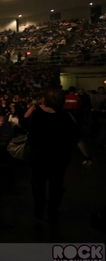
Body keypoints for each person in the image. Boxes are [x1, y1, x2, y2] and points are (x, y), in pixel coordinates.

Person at [26, 86, 88, 223]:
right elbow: (77, 137)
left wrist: (33, 106)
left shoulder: (36, 113)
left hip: (39, 155)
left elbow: (24, 123)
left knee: (38, 183)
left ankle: (39, 210)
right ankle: (53, 211)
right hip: (59, 156)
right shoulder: (66, 116)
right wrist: (87, 155)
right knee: (56, 184)